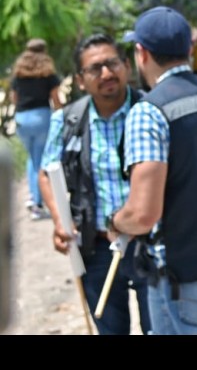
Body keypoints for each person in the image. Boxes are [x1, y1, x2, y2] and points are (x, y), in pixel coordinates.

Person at [107, 6, 197, 335]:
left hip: (184, 281)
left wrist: (114, 222)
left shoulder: (149, 112)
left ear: (142, 53)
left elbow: (143, 215)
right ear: (189, 49)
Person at [38, 34, 151, 335]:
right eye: (95, 68)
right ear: (80, 80)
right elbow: (46, 173)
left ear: (127, 66)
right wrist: (60, 222)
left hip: (150, 244)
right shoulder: (67, 121)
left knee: (159, 328)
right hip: (96, 247)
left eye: (112, 63)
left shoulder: (151, 111)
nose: (106, 73)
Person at [10, 38, 63, 220]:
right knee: (40, 160)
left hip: (22, 118)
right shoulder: (48, 73)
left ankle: (33, 197)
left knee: (32, 158)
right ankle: (37, 203)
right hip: (41, 117)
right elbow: (55, 98)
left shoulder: (18, 74)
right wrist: (61, 116)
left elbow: (14, 98)